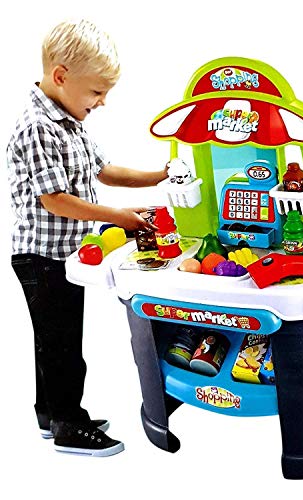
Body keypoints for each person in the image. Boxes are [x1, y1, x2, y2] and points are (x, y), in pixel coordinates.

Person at [6, 19, 168, 457]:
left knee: (52, 339)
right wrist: (120, 217)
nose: (102, 102)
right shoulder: (38, 126)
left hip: (64, 255)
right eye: (96, 92)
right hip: (42, 257)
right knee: (61, 345)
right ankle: (69, 425)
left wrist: (160, 176)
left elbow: (106, 171)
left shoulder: (69, 122)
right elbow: (56, 200)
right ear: (62, 76)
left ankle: (50, 413)